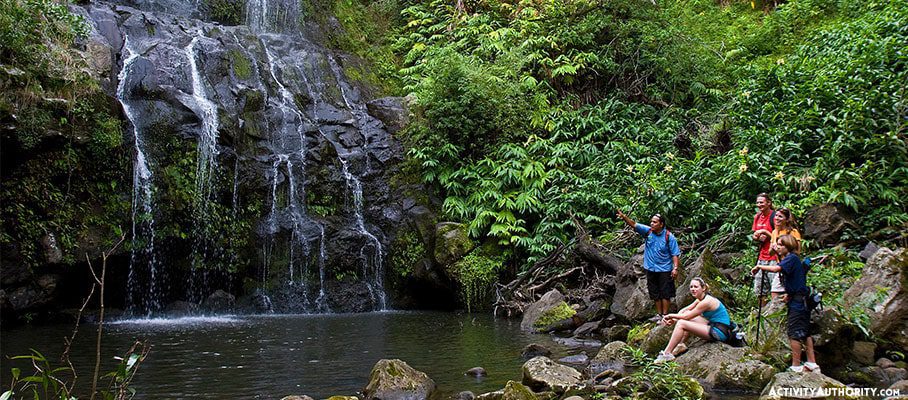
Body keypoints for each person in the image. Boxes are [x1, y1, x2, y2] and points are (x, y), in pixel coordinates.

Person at [752, 234, 820, 373]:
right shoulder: (792, 260)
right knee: (805, 332)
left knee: (794, 332)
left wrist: (760, 266)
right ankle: (811, 362)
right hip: (800, 298)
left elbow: (777, 269)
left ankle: (796, 366)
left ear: (788, 246)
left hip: (798, 301)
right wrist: (789, 294)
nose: (778, 246)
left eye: (781, 244)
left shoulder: (791, 258)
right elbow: (796, 279)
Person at [616, 210, 681, 321]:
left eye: (655, 222)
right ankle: (659, 315)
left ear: (661, 224)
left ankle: (665, 315)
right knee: (654, 293)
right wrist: (624, 217)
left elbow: (675, 254)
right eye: (651, 222)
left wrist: (675, 268)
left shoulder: (669, 237)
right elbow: (633, 224)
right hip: (651, 268)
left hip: (664, 269)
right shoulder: (648, 232)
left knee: (665, 293)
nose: (652, 224)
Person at [654, 277, 734, 364]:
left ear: (703, 288)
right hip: (713, 325)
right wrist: (673, 319)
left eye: (696, 287)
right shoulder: (700, 299)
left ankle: (667, 354)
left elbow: (686, 316)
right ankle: (680, 345)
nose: (693, 289)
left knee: (682, 324)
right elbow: (684, 312)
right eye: (691, 287)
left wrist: (669, 316)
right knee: (684, 319)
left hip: (720, 332)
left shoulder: (706, 302)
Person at [751, 193, 782, 304]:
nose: (759, 205)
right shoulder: (757, 217)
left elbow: (780, 238)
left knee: (776, 288)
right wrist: (757, 237)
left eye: (762, 202)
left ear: (769, 203)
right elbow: (755, 234)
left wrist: (766, 234)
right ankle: (764, 312)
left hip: (774, 257)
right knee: (759, 290)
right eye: (758, 202)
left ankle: (776, 311)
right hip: (762, 256)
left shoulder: (775, 217)